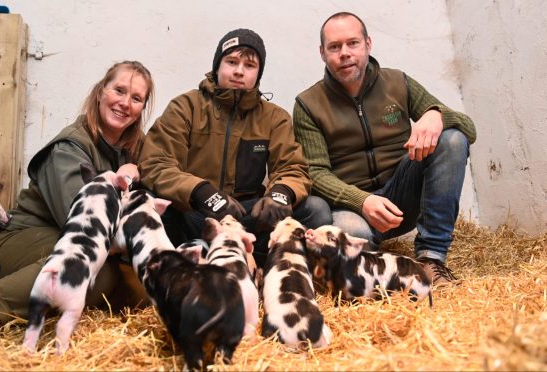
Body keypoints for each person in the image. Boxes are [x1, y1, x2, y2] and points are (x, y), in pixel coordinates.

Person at [293, 12, 477, 285]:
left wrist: (437, 116)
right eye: (335, 46)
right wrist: (362, 201)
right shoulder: (308, 104)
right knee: (353, 236)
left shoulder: (397, 82)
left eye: (353, 43)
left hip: (403, 195)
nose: (344, 53)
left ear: (368, 43)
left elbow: (468, 130)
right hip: (353, 208)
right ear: (323, 53)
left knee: (451, 139)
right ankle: (375, 270)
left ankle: (431, 259)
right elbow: (316, 174)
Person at [0, 61, 155, 329]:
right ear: (100, 92)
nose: (125, 103)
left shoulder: (136, 149)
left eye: (136, 98)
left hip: (74, 241)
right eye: (119, 90)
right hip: (20, 239)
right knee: (96, 272)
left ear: (142, 108)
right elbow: (84, 226)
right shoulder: (68, 148)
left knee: (139, 287)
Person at [139, 28, 331, 266]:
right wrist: (202, 192)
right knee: (154, 206)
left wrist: (280, 195)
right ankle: (190, 260)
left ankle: (262, 263)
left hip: (246, 216)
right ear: (217, 66)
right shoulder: (185, 107)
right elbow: (156, 163)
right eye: (231, 62)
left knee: (315, 209)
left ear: (258, 75)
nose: (239, 71)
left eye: (249, 65)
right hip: (194, 214)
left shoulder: (274, 118)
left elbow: (292, 167)